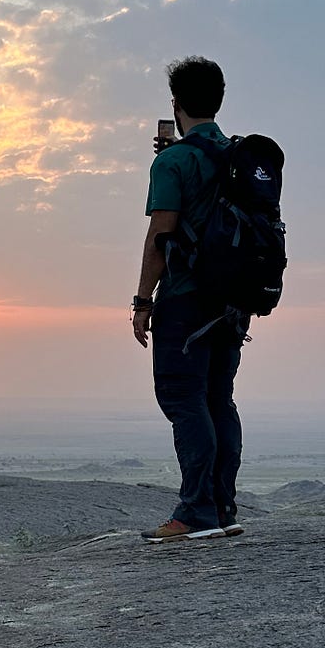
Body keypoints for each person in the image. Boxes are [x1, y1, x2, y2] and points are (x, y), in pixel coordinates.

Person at [131, 55, 245, 542]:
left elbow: (162, 234)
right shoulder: (239, 156)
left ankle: (195, 512)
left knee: (183, 397)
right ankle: (221, 506)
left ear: (175, 104)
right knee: (219, 397)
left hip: (185, 300)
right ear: (218, 101)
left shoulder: (172, 162)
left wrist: (141, 301)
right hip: (233, 302)